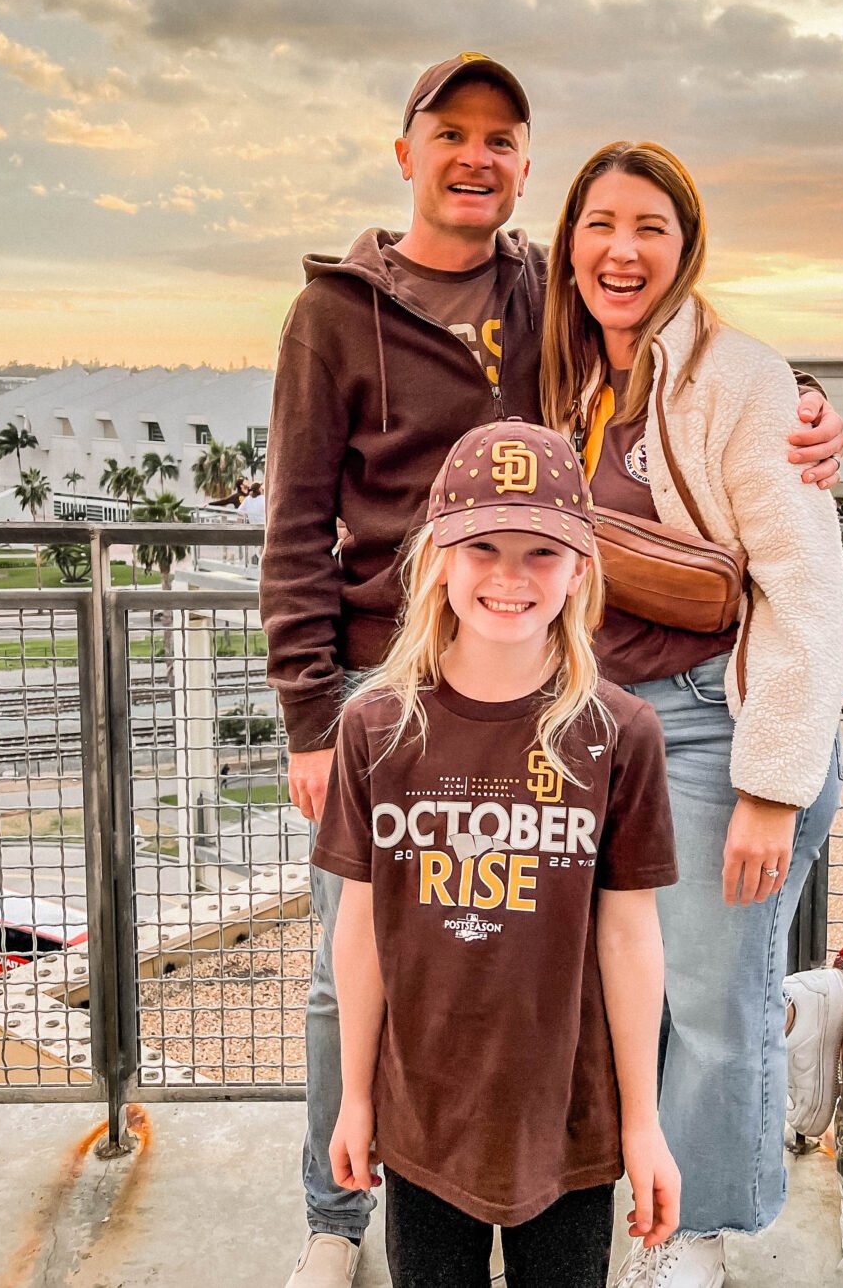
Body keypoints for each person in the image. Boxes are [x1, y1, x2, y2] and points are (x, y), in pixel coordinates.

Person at [260, 54, 843, 1288]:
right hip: (386, 681)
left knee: (620, 967)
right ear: (406, 148)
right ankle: (338, 1208)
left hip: (556, 681)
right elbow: (291, 521)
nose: (477, 156)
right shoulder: (342, 312)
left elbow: (705, 380)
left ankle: (640, 1207)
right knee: (349, 964)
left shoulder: (553, 296)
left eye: (503, 138)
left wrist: (802, 400)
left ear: (525, 169)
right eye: (452, 132)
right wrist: (314, 712)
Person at [538, 140, 843, 1287]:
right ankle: (806, 1012)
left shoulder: (741, 379)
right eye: (599, 224)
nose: (621, 250)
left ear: (685, 249)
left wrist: (768, 785)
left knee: (709, 1006)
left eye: (650, 227)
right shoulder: (569, 377)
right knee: (645, 984)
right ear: (568, 243)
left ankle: (700, 1233)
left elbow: (804, 590)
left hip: (714, 726)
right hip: (604, 728)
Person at [315, 420, 681, 1288]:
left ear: (580, 571)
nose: (510, 577)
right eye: (483, 546)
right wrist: (355, 1098)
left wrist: (643, 1122)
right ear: (439, 556)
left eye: (540, 553)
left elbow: (630, 938)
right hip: (422, 1122)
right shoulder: (376, 728)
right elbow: (360, 929)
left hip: (569, 1124)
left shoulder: (619, 733)